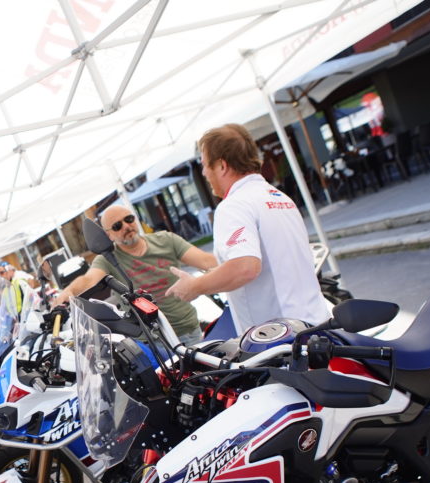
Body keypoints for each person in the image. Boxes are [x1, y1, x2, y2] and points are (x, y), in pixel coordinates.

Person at [165, 123, 329, 334]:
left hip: (282, 335)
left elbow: (245, 267)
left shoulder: (233, 205)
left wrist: (195, 287)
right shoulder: (278, 196)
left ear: (222, 166)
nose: (204, 172)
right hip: (316, 322)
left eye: (205, 165)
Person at [53, 205, 217, 345]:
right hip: (151, 341)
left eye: (129, 219)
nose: (126, 226)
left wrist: (228, 264)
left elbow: (206, 261)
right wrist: (69, 292)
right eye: (117, 226)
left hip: (187, 329)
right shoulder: (107, 259)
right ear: (108, 235)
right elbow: (89, 279)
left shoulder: (166, 240)